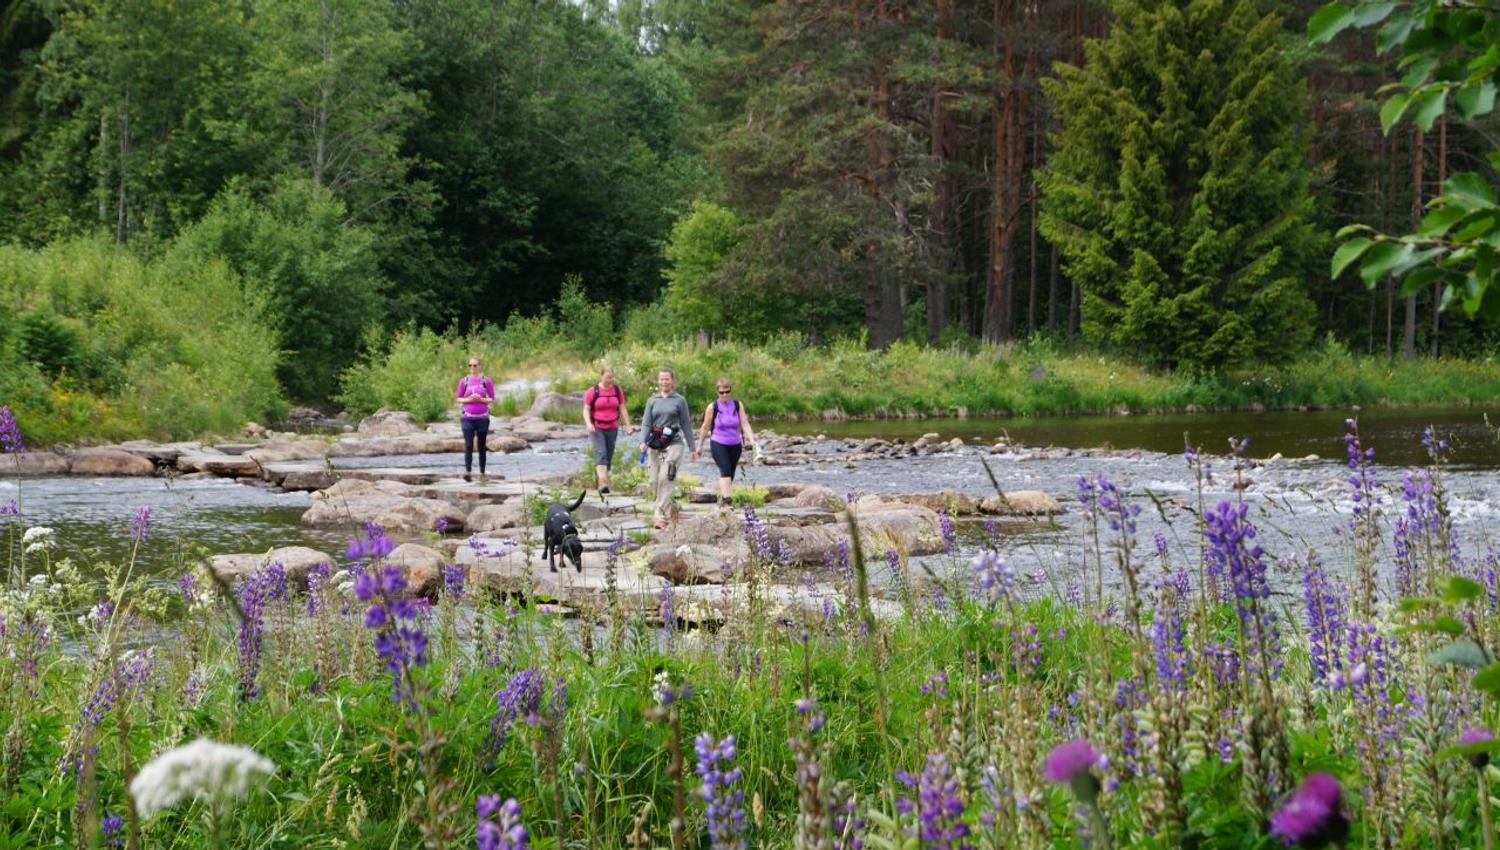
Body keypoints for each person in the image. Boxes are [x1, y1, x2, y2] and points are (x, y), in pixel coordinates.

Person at [638, 368, 696, 530]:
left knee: (666, 477)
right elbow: (646, 423)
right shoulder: (652, 400)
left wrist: (693, 448)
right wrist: (642, 441)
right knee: (654, 481)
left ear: (672, 381)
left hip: (674, 442)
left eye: (667, 379)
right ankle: (673, 510)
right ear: (658, 381)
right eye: (662, 379)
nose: (664, 382)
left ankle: (659, 516)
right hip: (655, 442)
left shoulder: (679, 400)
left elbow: (686, 424)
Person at [692, 379, 757, 509]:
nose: (725, 395)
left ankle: (723, 499)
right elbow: (705, 427)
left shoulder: (738, 405)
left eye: (727, 392)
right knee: (725, 469)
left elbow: (744, 423)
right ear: (717, 392)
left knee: (730, 474)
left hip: (735, 444)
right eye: (722, 392)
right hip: (718, 442)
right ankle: (728, 501)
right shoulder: (712, 407)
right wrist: (699, 446)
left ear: (731, 391)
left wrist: (752, 440)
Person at [583, 366, 632, 497]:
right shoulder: (593, 391)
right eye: (607, 376)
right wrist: (588, 423)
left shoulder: (617, 390)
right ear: (601, 376)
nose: (609, 379)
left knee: (608, 455)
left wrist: (628, 425)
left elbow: (622, 408)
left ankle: (604, 482)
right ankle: (602, 482)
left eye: (611, 377)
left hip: (613, 427)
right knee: (601, 452)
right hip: (596, 427)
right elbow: (586, 409)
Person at [455, 357, 495, 482]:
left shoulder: (486, 381)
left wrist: (481, 399)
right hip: (467, 418)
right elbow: (459, 398)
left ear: (480, 366)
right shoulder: (464, 381)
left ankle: (482, 473)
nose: (472, 368)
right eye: (470, 365)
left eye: (475, 365)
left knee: (481, 446)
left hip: (482, 418)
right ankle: (468, 472)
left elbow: (492, 398)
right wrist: (469, 399)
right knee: (468, 445)